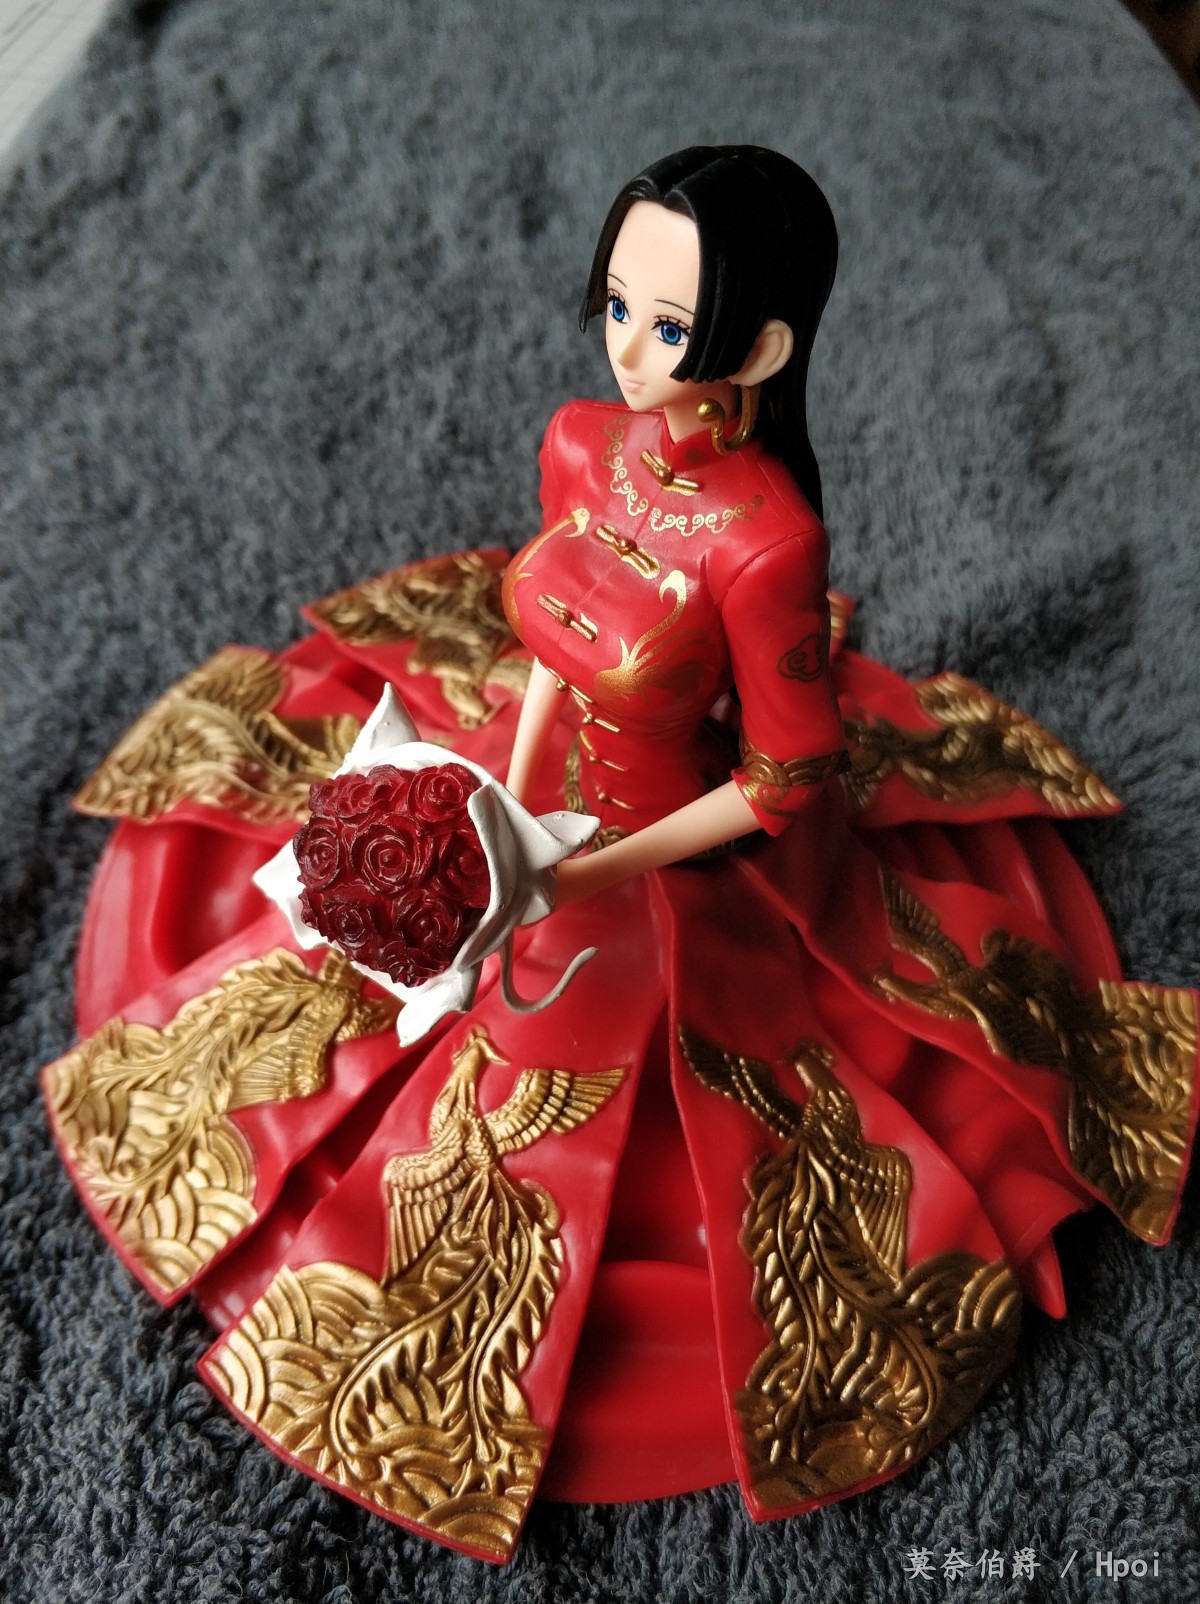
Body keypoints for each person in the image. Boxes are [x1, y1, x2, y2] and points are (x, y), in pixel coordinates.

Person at [42, 146, 1198, 1566]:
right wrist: (508, 796)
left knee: (584, 1124)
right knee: (317, 997)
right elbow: (546, 636)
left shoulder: (768, 544)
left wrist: (575, 874)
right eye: (618, 306)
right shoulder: (585, 442)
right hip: (540, 788)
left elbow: (784, 779)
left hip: (682, 850)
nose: (630, 349)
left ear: (759, 350)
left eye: (670, 326)